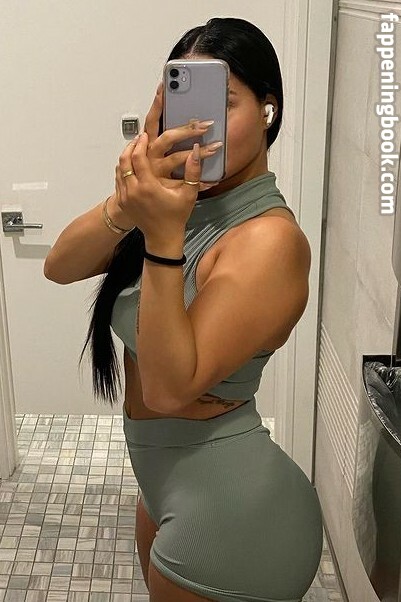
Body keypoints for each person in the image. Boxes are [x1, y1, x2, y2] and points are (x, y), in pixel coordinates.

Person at [44, 16, 323, 602]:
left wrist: (163, 233)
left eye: (224, 103)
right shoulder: (175, 206)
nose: (199, 126)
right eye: (184, 104)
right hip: (169, 482)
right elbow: (60, 265)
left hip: (233, 509)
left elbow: (169, 390)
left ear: (268, 110)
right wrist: (130, 201)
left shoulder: (269, 240)